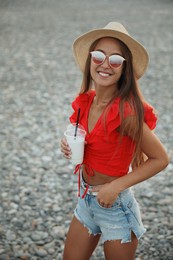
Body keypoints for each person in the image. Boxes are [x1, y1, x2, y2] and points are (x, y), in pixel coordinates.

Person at [60, 22, 169, 260]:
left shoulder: (125, 113)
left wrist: (115, 187)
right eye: (98, 55)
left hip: (116, 208)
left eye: (116, 60)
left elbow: (161, 159)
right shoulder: (86, 103)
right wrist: (67, 145)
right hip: (86, 200)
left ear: (124, 69)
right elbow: (87, 140)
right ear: (90, 61)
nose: (105, 64)